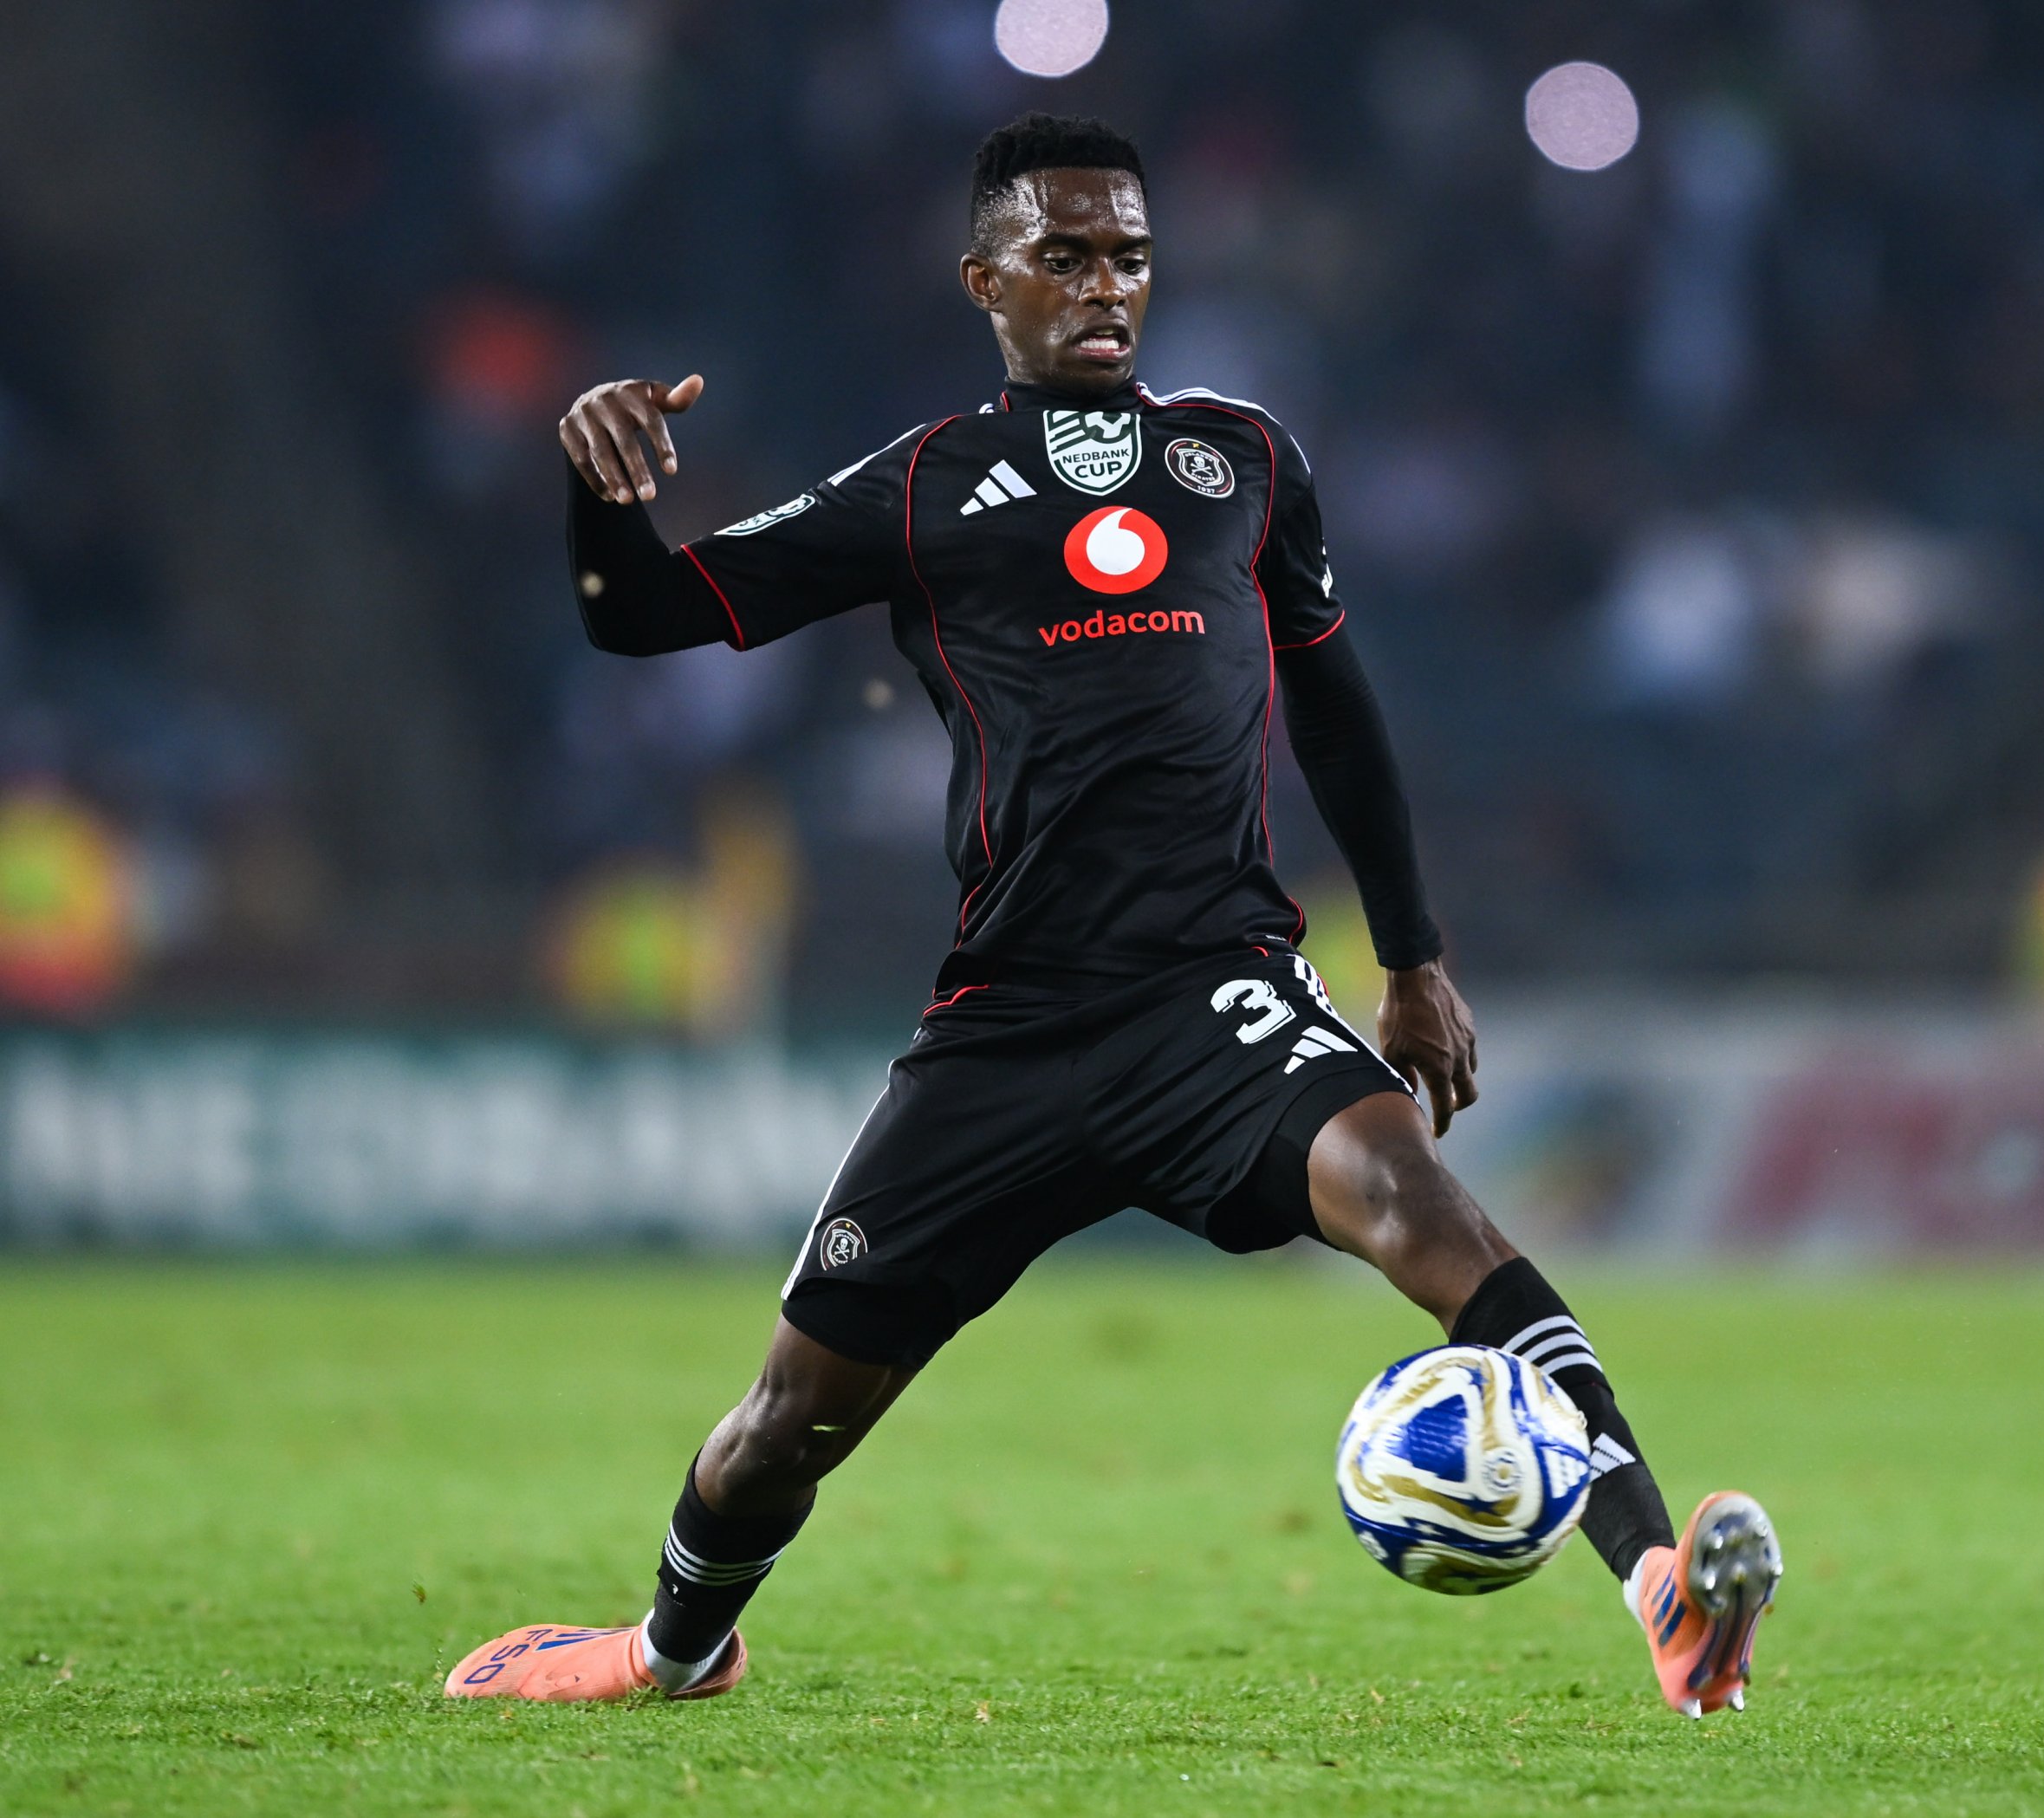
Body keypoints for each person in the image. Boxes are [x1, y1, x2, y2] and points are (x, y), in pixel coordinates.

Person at [445, 113, 1778, 1717]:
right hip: (1004, 1031)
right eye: (1065, 255)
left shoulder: (1245, 460)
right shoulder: (924, 487)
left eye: (1130, 255)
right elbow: (645, 615)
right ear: (984, 279)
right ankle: (664, 1653)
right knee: (786, 1417)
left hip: (1213, 992)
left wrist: (1413, 956)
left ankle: (1659, 1591)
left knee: (1431, 1216)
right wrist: (602, 486)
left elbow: (1339, 711)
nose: (1105, 285)